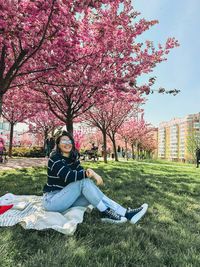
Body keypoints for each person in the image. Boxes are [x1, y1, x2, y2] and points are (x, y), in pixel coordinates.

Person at [42, 131, 148, 224]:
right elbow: (69, 177)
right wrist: (92, 173)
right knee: (83, 182)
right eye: (64, 141)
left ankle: (124, 213)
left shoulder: (73, 160)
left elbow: (82, 173)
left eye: (69, 141)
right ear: (58, 144)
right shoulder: (54, 160)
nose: (67, 144)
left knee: (92, 192)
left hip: (66, 198)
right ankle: (107, 212)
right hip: (52, 202)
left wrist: (89, 174)